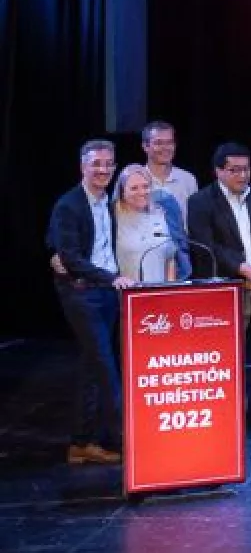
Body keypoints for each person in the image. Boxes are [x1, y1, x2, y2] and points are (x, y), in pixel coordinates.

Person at [187, 142, 251, 430]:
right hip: (228, 291)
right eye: (234, 170)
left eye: (246, 169)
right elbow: (207, 246)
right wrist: (243, 268)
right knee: (230, 356)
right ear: (218, 171)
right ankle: (234, 412)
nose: (242, 175)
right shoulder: (200, 202)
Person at [47, 139, 132, 464]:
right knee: (107, 369)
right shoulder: (69, 204)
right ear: (82, 166)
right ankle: (126, 442)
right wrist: (110, 278)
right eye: (96, 163)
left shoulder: (111, 202)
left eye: (109, 164)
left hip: (106, 293)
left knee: (91, 366)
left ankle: (81, 443)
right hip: (82, 293)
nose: (103, 169)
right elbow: (69, 256)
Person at [111, 164, 188, 283]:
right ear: (122, 191)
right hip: (126, 291)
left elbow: (170, 257)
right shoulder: (112, 217)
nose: (142, 192)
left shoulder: (160, 213)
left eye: (145, 186)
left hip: (158, 290)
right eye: (134, 188)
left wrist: (170, 287)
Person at [140, 121, 199, 224]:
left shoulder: (188, 180)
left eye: (169, 142)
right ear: (145, 146)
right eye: (158, 143)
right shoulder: (133, 180)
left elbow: (195, 221)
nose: (165, 148)